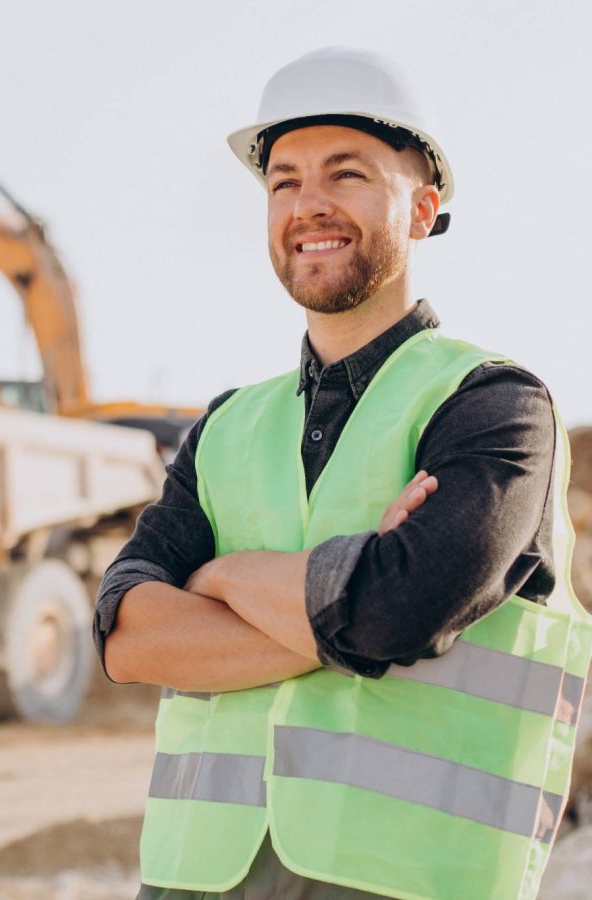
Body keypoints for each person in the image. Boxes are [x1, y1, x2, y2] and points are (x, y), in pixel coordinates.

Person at [94, 47, 592, 899]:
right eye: (283, 181)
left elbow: (396, 612)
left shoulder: (497, 408)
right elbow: (128, 639)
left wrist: (215, 578)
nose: (308, 205)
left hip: (408, 879)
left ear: (424, 210)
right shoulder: (224, 428)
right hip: (195, 878)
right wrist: (344, 607)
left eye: (346, 174)